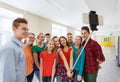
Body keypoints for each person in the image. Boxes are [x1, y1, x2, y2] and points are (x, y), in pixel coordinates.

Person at [0, 18, 29, 82]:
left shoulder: (19, 47)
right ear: (14, 29)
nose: (26, 31)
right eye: (23, 29)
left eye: (27, 29)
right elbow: (7, 77)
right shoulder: (9, 48)